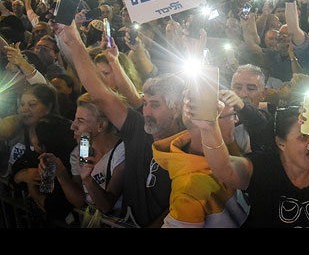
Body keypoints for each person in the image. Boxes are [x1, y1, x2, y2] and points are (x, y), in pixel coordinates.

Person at [52, 20, 185, 228]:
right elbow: (100, 94)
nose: (147, 112)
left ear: (176, 108)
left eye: (155, 105)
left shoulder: (190, 145)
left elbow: (181, 204)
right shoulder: (138, 128)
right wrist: (73, 40)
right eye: (146, 104)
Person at [188, 99, 309, 227]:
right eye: (303, 137)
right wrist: (209, 128)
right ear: (281, 143)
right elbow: (224, 169)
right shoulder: (265, 167)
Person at [152, 88, 249, 228]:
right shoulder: (190, 190)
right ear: (205, 122)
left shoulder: (231, 148)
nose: (236, 120)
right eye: (232, 115)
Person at [42, 93, 125, 218]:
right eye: (75, 119)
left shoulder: (123, 152)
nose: (72, 126)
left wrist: (87, 179)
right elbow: (79, 201)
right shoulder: (79, 151)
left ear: (101, 125)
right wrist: (61, 174)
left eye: (80, 121)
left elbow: (106, 206)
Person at [1, 83, 59, 177]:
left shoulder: (57, 137)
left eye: (32, 104)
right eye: (22, 104)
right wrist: (18, 178)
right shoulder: (14, 129)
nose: (24, 109)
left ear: (48, 107)